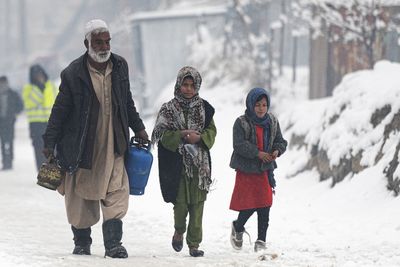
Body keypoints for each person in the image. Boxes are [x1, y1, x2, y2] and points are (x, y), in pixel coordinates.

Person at [42, 19, 148, 258]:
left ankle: (113, 244)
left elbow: (127, 101)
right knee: (80, 195)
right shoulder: (72, 74)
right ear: (86, 43)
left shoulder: (120, 66)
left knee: (116, 191)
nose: (104, 47)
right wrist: (49, 142)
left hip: (114, 143)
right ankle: (82, 241)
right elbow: (60, 110)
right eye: (98, 42)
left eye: (107, 41)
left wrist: (138, 127)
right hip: (82, 146)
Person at [151, 66, 217, 257]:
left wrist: (200, 138)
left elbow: (212, 131)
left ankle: (194, 244)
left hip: (199, 166)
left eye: (192, 85)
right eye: (185, 85)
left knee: (198, 205)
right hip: (177, 165)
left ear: (197, 86)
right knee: (180, 205)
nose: (188, 89)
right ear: (179, 85)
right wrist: (180, 135)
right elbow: (160, 133)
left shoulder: (206, 109)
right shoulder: (168, 109)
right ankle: (179, 230)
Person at [229, 87, 287, 252]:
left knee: (265, 204)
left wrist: (276, 151)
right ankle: (238, 227)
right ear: (250, 105)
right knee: (249, 205)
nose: (261, 108)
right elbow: (239, 145)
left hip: (265, 170)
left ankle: (261, 240)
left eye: (264, 105)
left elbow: (280, 141)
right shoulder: (241, 123)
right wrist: (258, 153)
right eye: (257, 105)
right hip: (247, 170)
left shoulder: (272, 122)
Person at [22, 64, 57, 171]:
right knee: (39, 149)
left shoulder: (51, 86)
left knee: (53, 148)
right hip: (36, 124)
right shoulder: (28, 88)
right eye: (36, 75)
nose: (39, 77)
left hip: (51, 122)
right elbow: (30, 103)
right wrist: (39, 88)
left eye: (40, 74)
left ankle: (52, 172)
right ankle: (42, 171)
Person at [0, 76, 23, 170]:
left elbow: (20, 106)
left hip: (10, 122)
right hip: (1, 122)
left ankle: (9, 161)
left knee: (9, 141)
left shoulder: (13, 94)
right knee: (3, 142)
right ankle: (5, 161)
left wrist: (14, 114)